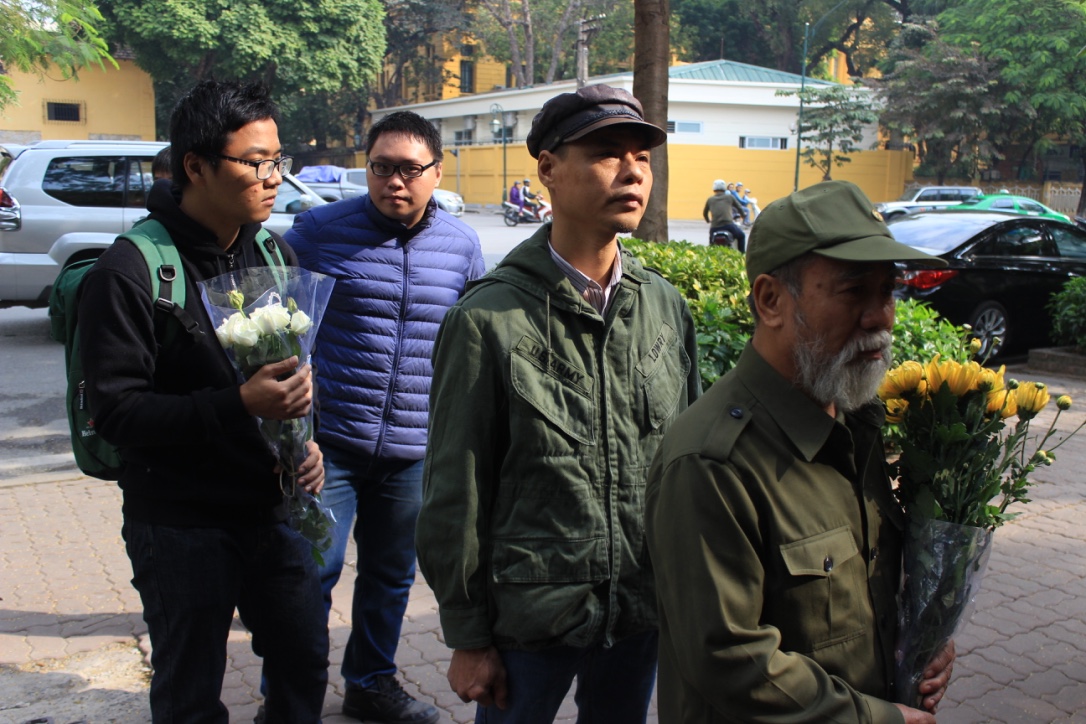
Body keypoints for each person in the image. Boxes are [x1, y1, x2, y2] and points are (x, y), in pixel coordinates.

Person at [416, 83, 702, 723]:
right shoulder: (488, 319)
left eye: (642, 157)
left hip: (640, 606)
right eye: (606, 153)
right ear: (548, 168)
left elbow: (689, 464)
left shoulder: (663, 307)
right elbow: (455, 490)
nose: (632, 171)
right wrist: (468, 634)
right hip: (531, 616)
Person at [645, 180, 956, 724]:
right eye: (854, 291)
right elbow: (731, 660)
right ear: (771, 301)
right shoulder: (712, 463)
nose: (881, 317)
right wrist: (876, 718)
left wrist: (921, 641)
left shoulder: (859, 422)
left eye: (887, 291)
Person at [78, 80, 328, 723]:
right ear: (196, 166)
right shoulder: (131, 271)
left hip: (274, 511)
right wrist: (238, 403)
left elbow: (295, 371)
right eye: (255, 162)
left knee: (303, 662)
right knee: (190, 691)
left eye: (278, 160)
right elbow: (117, 413)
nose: (274, 178)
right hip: (180, 522)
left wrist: (308, 440)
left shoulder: (273, 253)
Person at [284, 110, 484, 724]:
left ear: (437, 172)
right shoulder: (317, 231)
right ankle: (289, 697)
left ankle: (370, 683)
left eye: (410, 169)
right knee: (310, 574)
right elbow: (283, 334)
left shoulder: (462, 245)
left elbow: (472, 344)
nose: (395, 181)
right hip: (331, 446)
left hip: (414, 451)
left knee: (391, 576)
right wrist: (296, 436)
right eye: (381, 167)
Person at [703, 178, 745, 249]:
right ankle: (742, 254)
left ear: (714, 189)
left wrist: (708, 220)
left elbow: (705, 213)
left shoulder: (710, 199)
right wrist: (743, 215)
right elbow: (739, 207)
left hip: (715, 227)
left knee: (711, 243)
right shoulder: (729, 197)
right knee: (741, 236)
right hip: (728, 225)